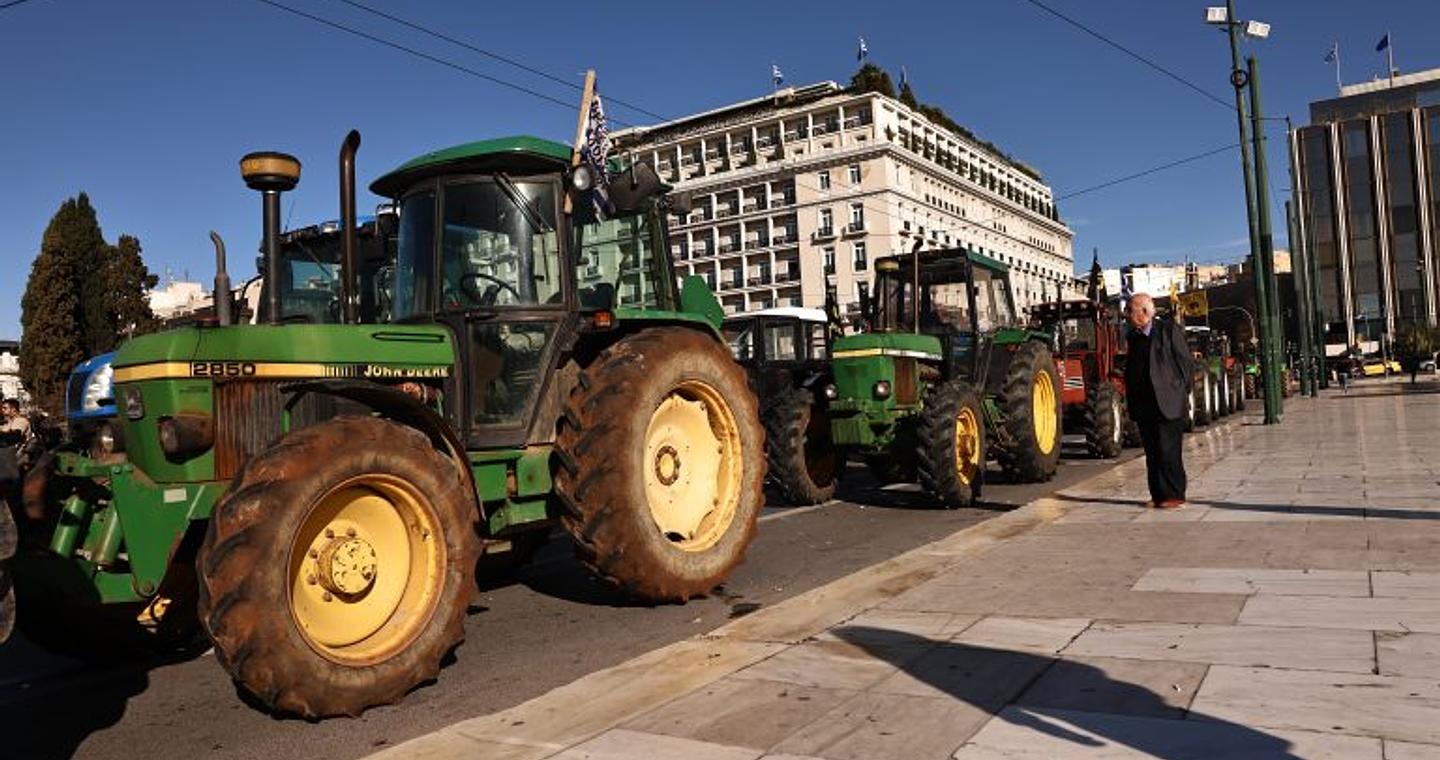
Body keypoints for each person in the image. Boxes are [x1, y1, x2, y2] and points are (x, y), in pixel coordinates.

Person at [1123, 295, 1194, 509]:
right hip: (1145, 406)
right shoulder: (1134, 337)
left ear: (1144, 312)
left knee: (1169, 451)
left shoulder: (1168, 330)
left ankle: (1174, 495)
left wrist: (1179, 393)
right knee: (1153, 453)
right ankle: (1158, 496)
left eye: (1130, 310)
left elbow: (1186, 366)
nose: (1126, 314)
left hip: (1168, 403)